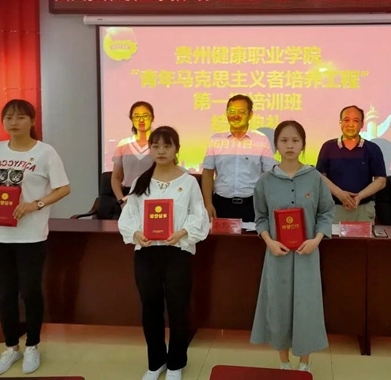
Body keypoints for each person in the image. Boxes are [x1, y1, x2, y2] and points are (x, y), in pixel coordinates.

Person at [0, 99, 70, 376]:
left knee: (29, 291)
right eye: (8, 117)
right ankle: (11, 348)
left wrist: (35, 205)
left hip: (30, 235)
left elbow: (63, 188)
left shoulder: (45, 152)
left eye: (20, 117)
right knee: (5, 293)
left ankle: (32, 345)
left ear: (32, 121)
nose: (13, 122)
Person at [118, 126, 209, 380]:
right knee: (151, 308)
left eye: (167, 146)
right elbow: (129, 215)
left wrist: (182, 232)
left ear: (177, 149)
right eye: (156, 146)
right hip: (147, 252)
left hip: (177, 252)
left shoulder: (188, 182)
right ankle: (156, 361)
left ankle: (176, 363)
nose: (161, 151)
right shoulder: (141, 181)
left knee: (178, 307)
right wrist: (136, 233)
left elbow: (198, 215)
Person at [250, 120, 334, 372]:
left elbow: (326, 213)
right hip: (277, 255)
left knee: (306, 306)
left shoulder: (314, 178)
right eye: (284, 140)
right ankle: (284, 362)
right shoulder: (265, 181)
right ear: (276, 145)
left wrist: (316, 240)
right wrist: (269, 241)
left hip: (307, 254)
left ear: (303, 145)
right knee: (279, 305)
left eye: (295, 140)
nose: (290, 145)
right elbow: (260, 218)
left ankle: (304, 363)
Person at [201, 94, 277, 223]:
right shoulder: (216, 139)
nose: (235, 116)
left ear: (250, 114)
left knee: (251, 236)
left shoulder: (261, 140)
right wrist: (208, 204)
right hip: (221, 205)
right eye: (231, 111)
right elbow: (208, 174)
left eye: (241, 112)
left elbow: (269, 175)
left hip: (252, 205)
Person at [316, 105, 387, 223]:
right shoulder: (328, 147)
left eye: (355, 121)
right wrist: (340, 194)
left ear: (362, 124)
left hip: (363, 209)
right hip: (335, 208)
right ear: (340, 122)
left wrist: (359, 197)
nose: (350, 124)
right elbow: (320, 177)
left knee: (365, 236)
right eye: (346, 120)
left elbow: (381, 181)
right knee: (333, 236)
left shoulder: (372, 149)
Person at [111, 101, 155, 211]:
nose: (141, 120)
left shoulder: (159, 144)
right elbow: (116, 178)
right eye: (136, 116)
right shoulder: (123, 144)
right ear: (131, 119)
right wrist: (122, 201)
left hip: (155, 195)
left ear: (152, 118)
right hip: (129, 196)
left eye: (145, 115)